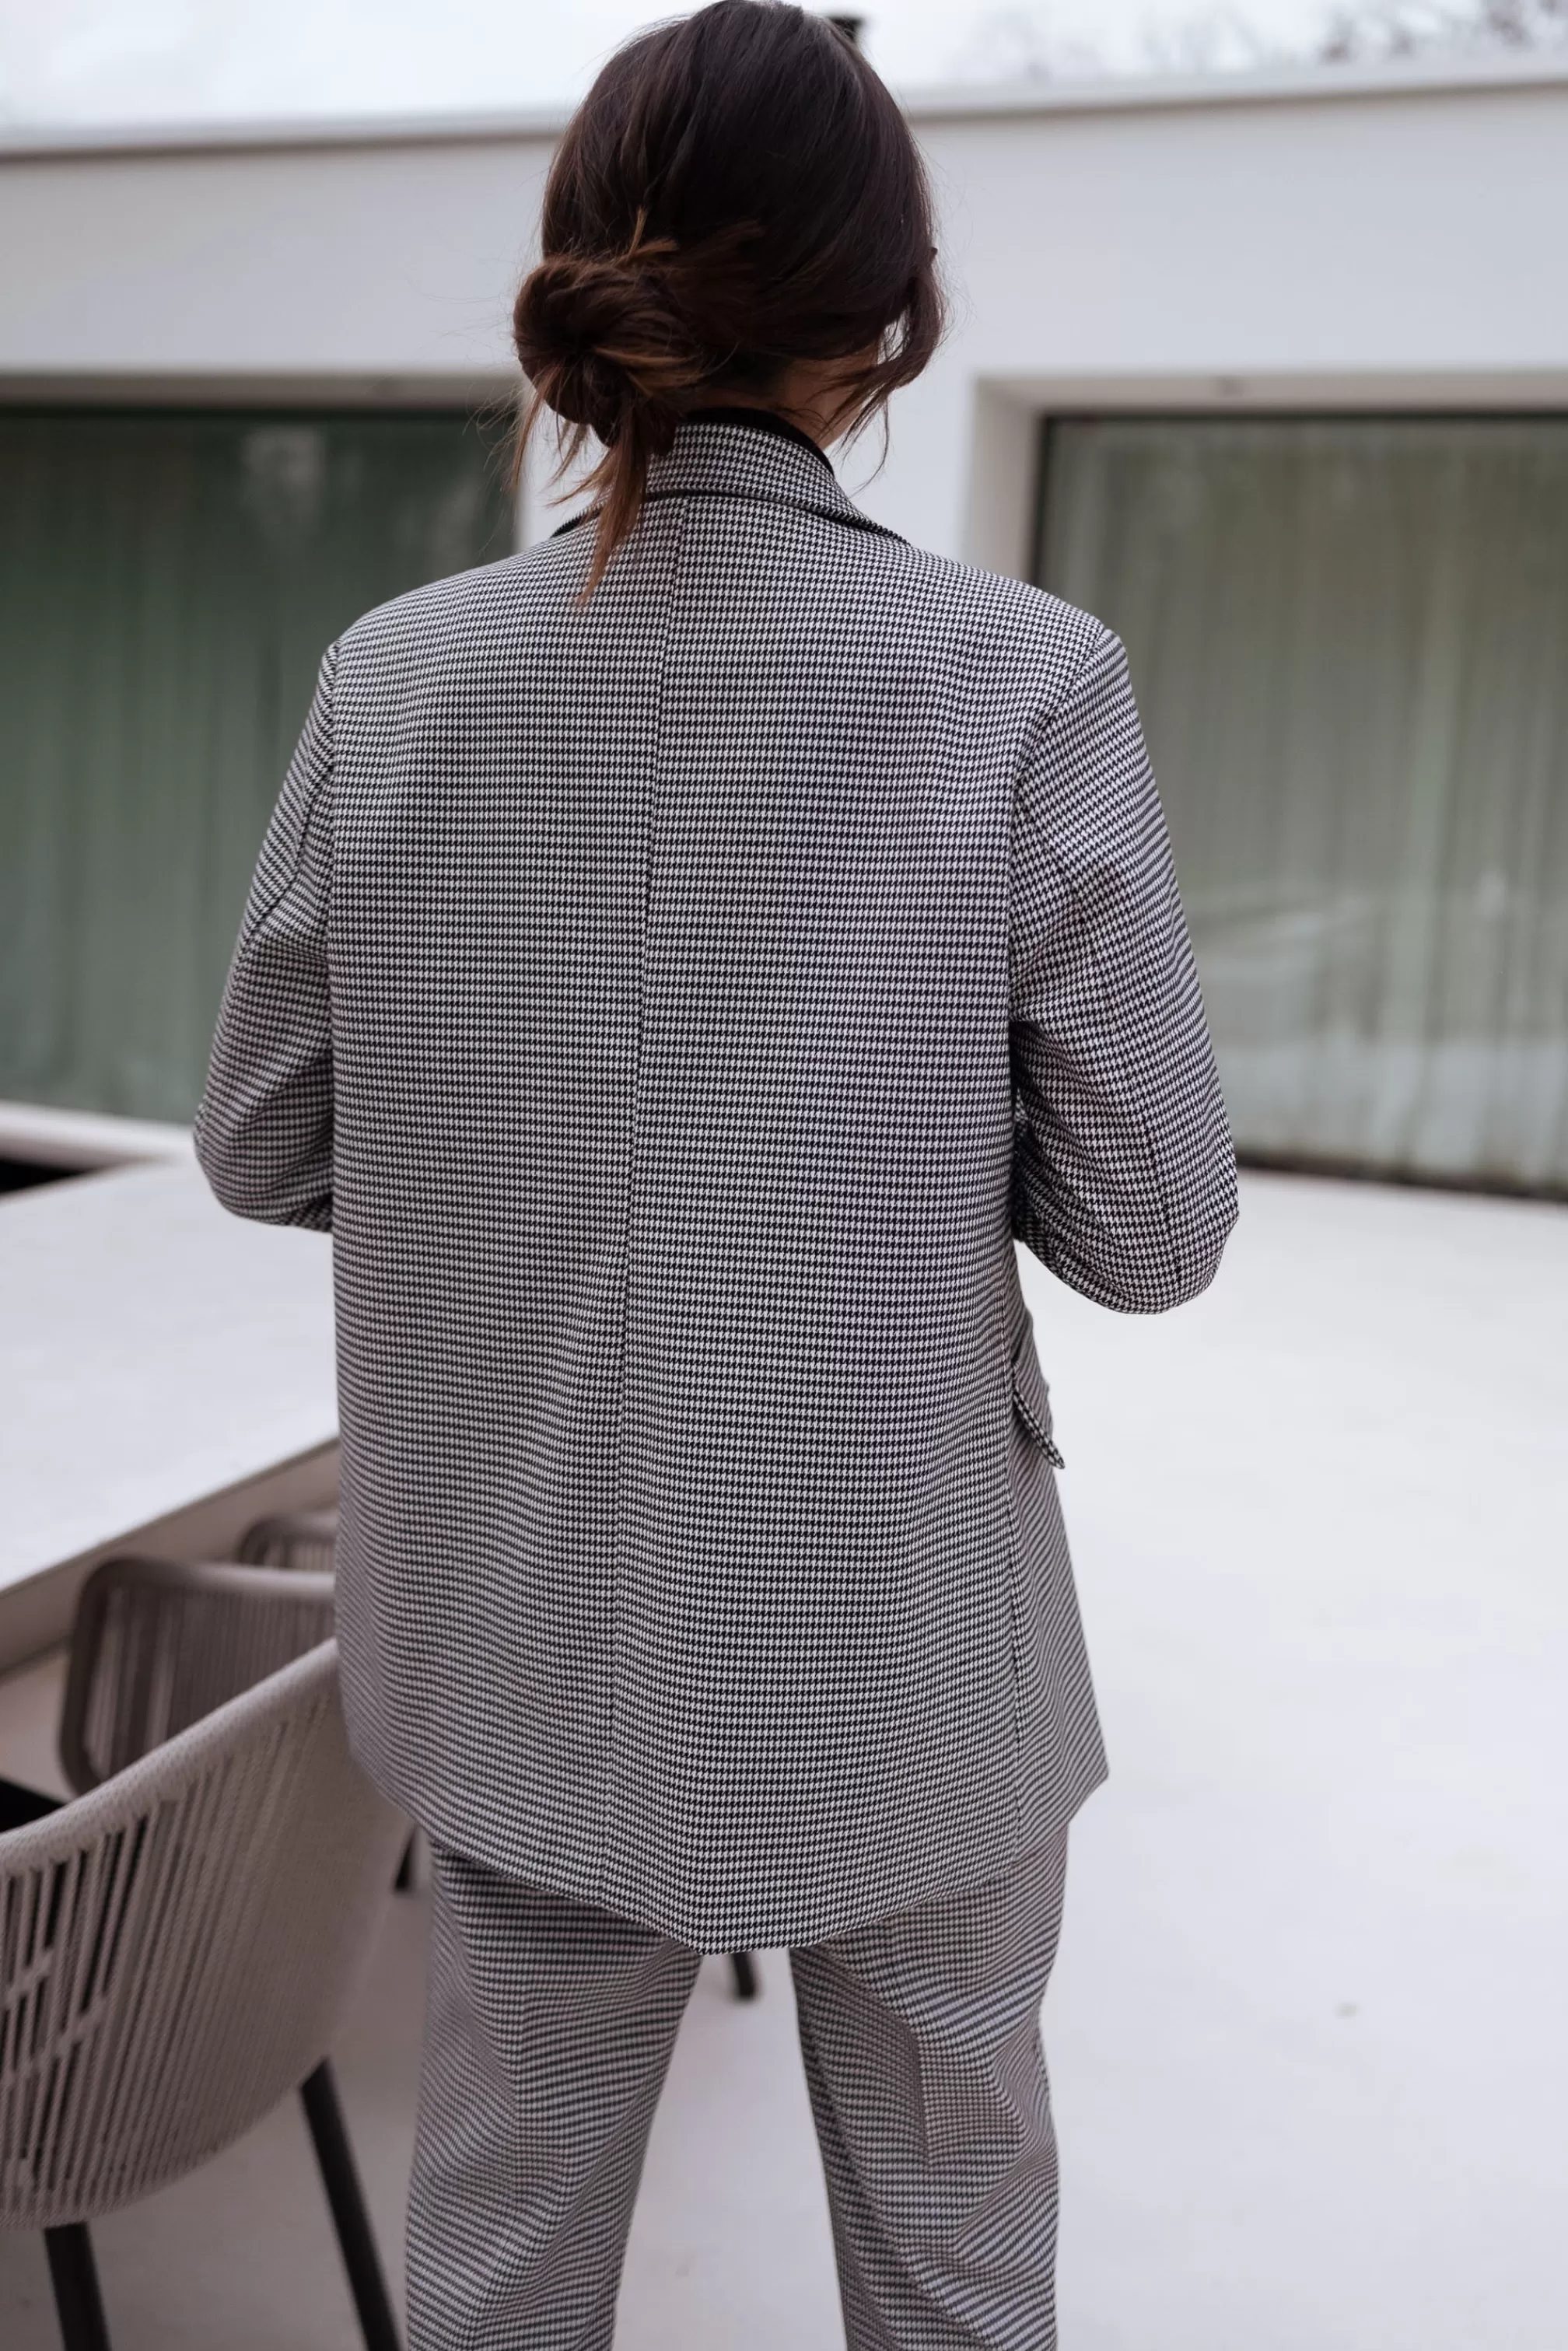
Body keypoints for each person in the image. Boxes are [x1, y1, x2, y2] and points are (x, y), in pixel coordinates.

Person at [196, 4, 1238, 2343]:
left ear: (589, 288)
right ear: (891, 323)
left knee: (503, 2267)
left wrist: (534, 1161)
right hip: (913, 1662)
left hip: (523, 1640)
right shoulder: (1021, 680)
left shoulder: (390, 680)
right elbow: (1155, 1229)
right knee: (957, 2269)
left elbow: (265, 1140)